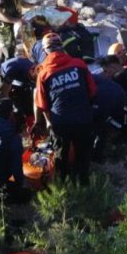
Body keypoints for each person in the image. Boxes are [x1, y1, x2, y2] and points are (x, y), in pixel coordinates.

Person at [34, 32, 97, 184]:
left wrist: (49, 122)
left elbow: (42, 104)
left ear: (45, 51)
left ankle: (62, 186)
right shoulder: (79, 64)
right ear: (62, 46)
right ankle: (83, 184)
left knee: (61, 156)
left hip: (60, 122)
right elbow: (93, 91)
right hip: (83, 118)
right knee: (83, 155)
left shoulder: (43, 73)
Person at [0, 0, 31, 96]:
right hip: (2, 28)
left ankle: (5, 80)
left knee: (7, 54)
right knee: (8, 52)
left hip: (11, 25)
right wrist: (15, 21)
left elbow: (19, 1)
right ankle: (4, 88)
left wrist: (32, 5)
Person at [90, 60, 127, 161]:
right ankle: (98, 153)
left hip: (107, 99)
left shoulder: (86, 79)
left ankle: (95, 155)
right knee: (103, 126)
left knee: (96, 126)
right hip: (120, 95)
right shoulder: (92, 75)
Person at [0, 56, 37, 126]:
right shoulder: (12, 70)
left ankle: (29, 121)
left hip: (21, 76)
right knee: (8, 102)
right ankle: (9, 126)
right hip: (5, 73)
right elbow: (3, 95)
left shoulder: (36, 70)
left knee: (28, 102)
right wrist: (10, 112)